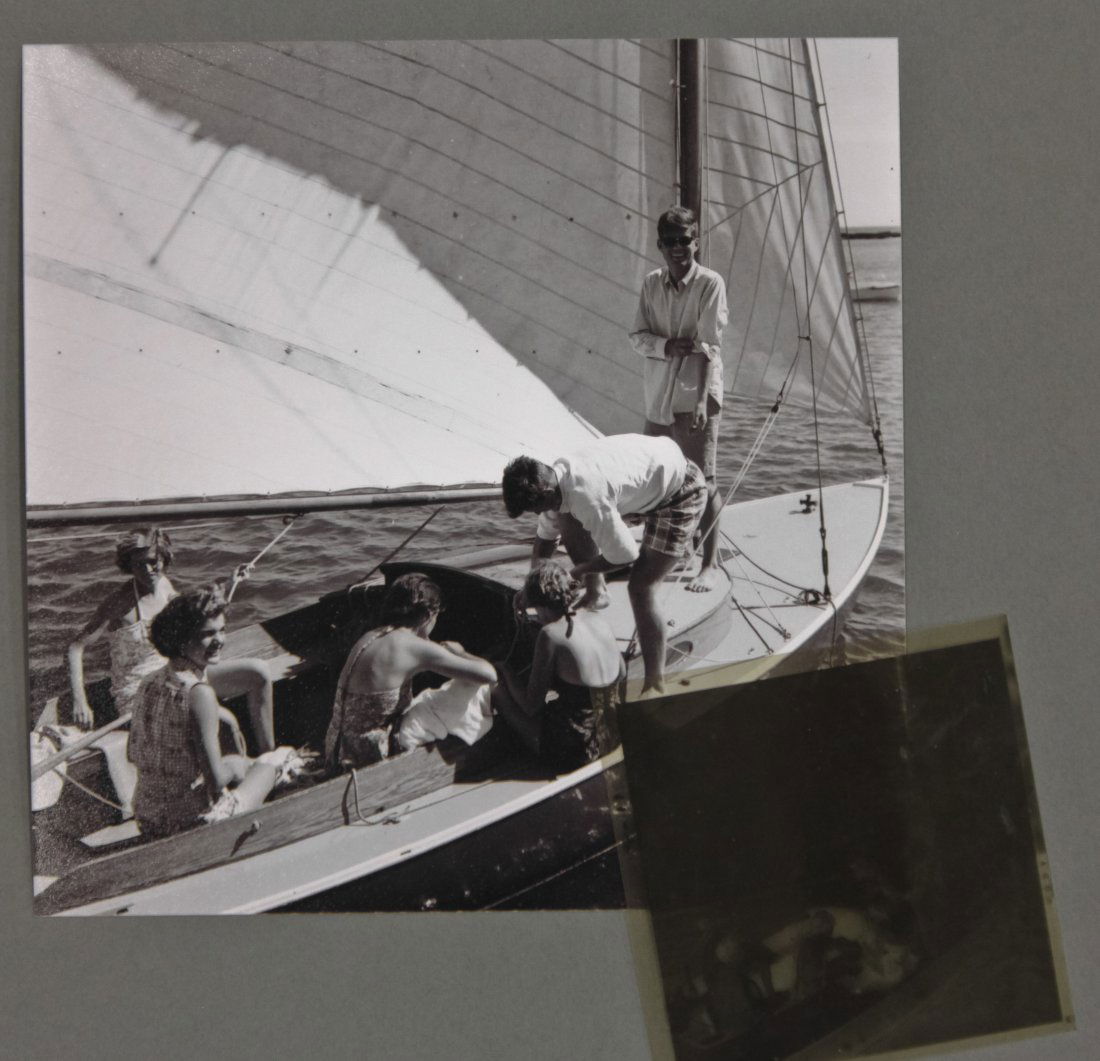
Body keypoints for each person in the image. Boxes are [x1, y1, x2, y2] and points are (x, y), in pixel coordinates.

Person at [501, 433, 706, 695]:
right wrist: (531, 589)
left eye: (536, 509)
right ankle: (597, 592)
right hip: (645, 482)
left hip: (680, 491)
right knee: (566, 517)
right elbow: (544, 542)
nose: (539, 514)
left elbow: (626, 555)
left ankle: (655, 682)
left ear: (545, 494)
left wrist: (578, 571)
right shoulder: (555, 481)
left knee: (641, 587)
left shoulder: (587, 495)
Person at [66, 528, 275, 755]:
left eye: (153, 562)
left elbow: (193, 614)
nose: (148, 570)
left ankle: (272, 758)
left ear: (164, 558)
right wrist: (80, 701)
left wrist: (230, 582)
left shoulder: (164, 585)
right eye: (139, 565)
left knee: (259, 672)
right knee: (222, 719)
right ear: (129, 565)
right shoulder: (119, 602)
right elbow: (75, 647)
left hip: (178, 675)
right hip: (142, 693)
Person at [127, 586, 287, 838]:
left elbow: (132, 753)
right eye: (207, 634)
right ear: (182, 639)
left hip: (147, 818)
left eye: (222, 630)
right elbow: (216, 782)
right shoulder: (199, 694)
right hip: (191, 825)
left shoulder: (148, 682)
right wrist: (236, 765)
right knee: (275, 761)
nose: (220, 640)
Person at [629, 205, 729, 593]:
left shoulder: (710, 283)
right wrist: (666, 346)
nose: (677, 248)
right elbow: (637, 338)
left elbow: (709, 345)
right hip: (658, 397)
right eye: (669, 241)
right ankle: (674, 552)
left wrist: (701, 402)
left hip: (696, 396)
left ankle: (710, 563)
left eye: (684, 240)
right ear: (660, 245)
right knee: (661, 479)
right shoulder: (651, 284)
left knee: (704, 480)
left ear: (695, 242)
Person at [325, 573, 497, 770]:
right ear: (428, 615)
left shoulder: (372, 635)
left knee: (429, 700)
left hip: (338, 751)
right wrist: (460, 652)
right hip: (371, 754)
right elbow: (489, 675)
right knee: (472, 688)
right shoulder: (414, 646)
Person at [493, 561, 624, 772]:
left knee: (497, 688)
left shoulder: (550, 634)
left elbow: (531, 706)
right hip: (613, 732)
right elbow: (622, 672)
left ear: (535, 601)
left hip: (579, 747)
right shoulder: (595, 617)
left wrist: (505, 670)